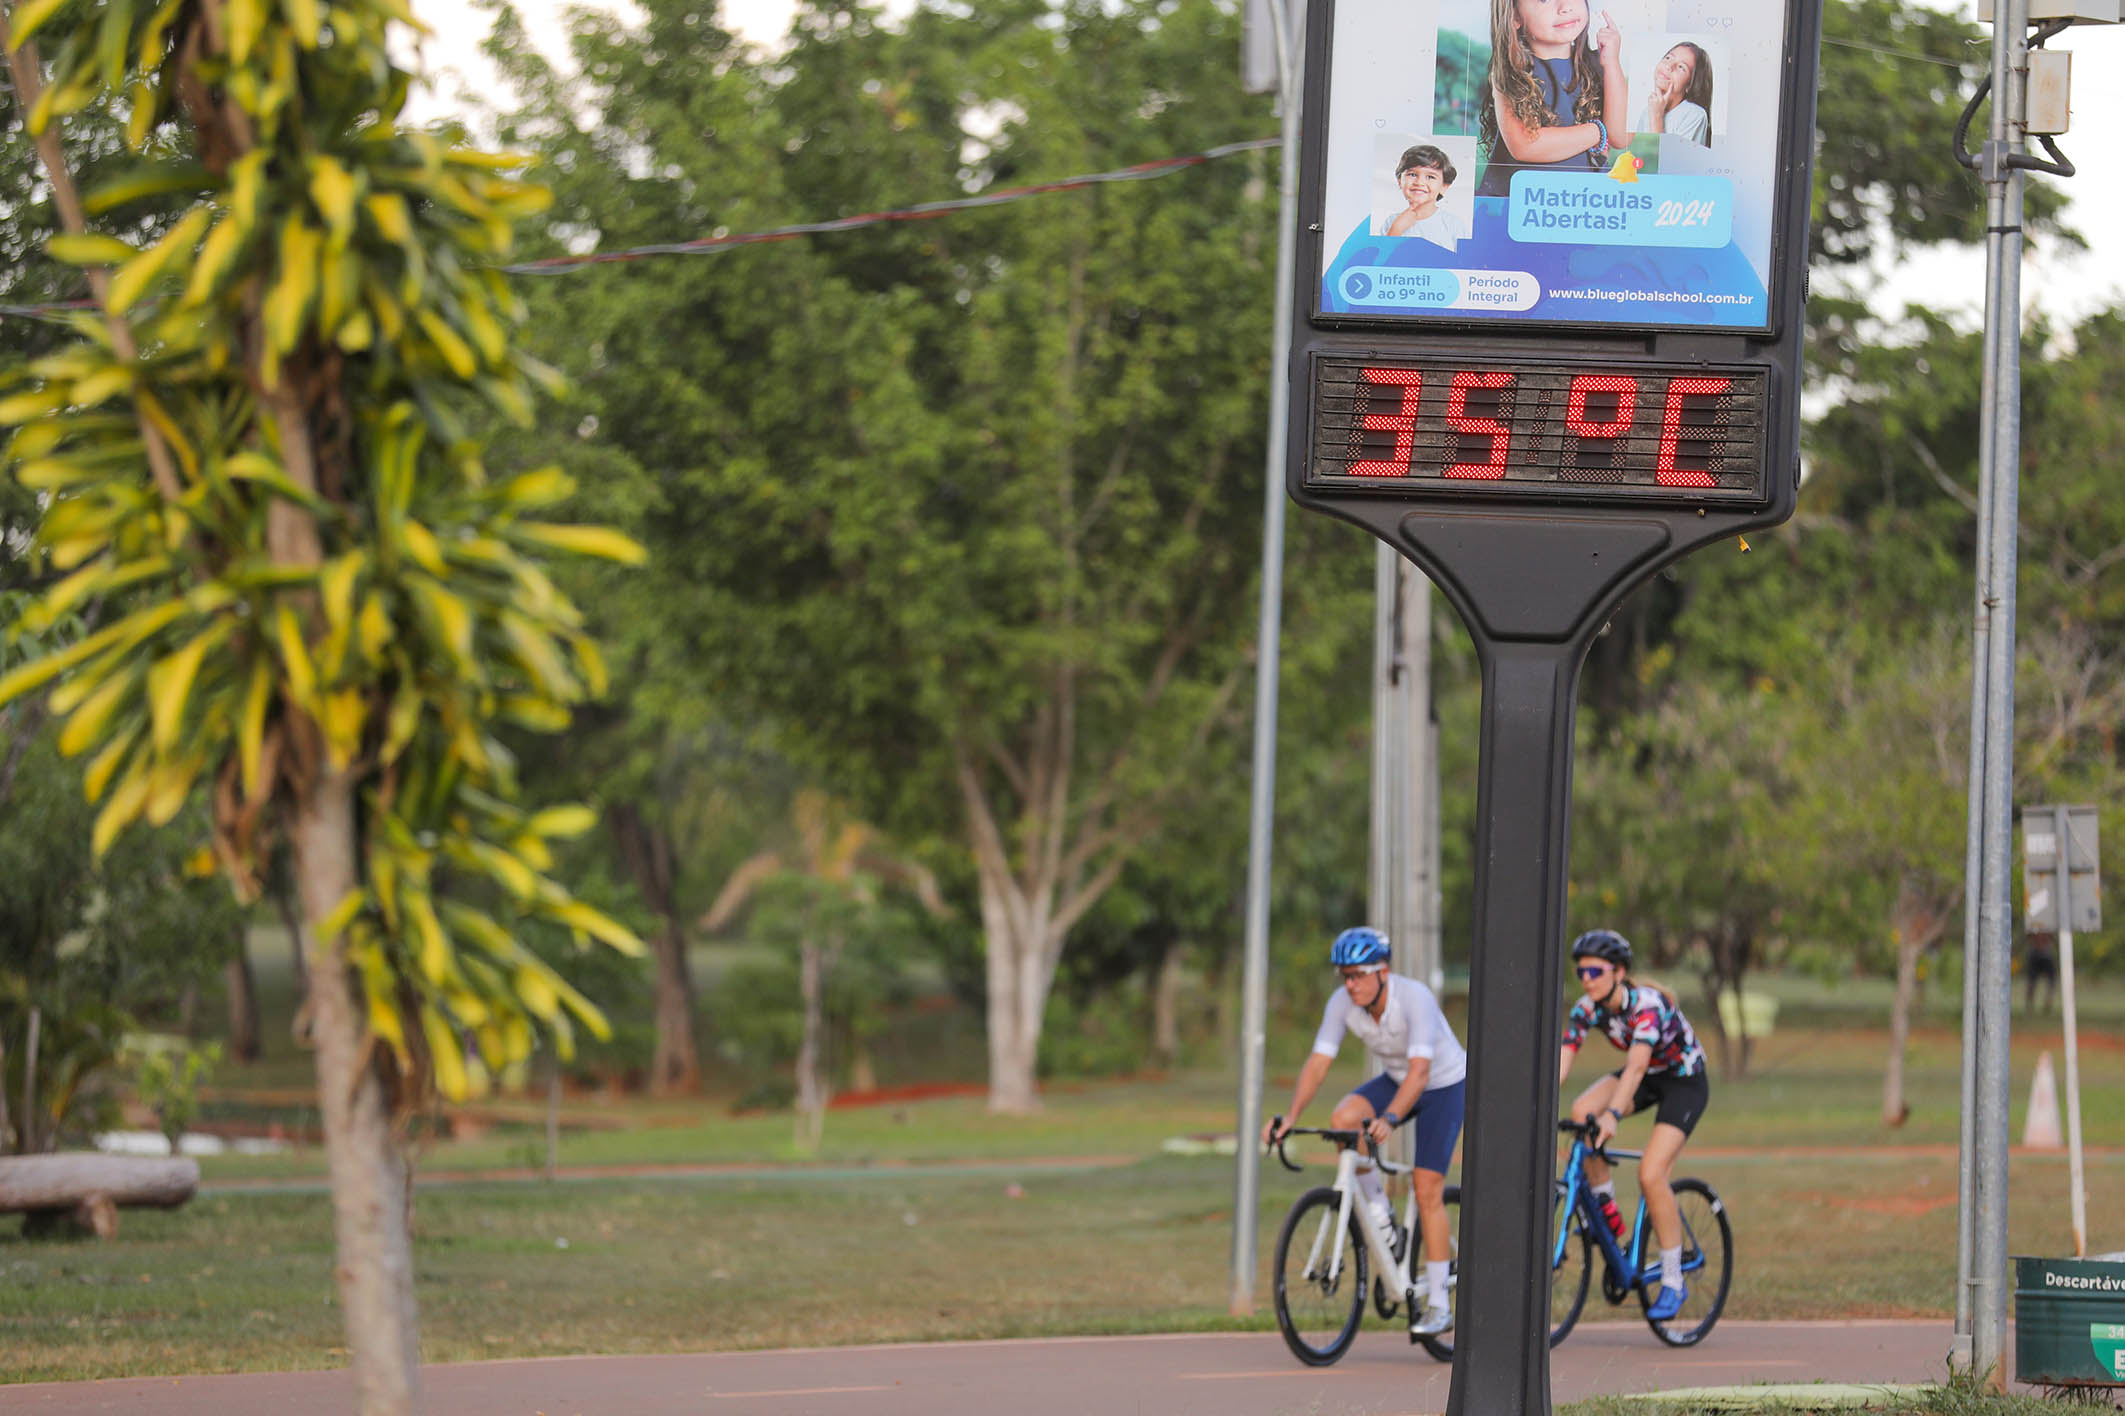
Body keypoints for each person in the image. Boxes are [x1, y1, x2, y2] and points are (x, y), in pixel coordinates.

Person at [1263, 926, 1468, 1338]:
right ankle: (1381, 1217)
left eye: (1358, 975)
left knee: (1426, 1187)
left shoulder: (1415, 999)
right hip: (1397, 1078)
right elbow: (1319, 1062)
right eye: (1345, 976)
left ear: (1383, 972)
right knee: (1344, 1119)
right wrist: (1290, 1117)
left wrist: (1389, 1119)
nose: (1351, 985)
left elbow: (1421, 1072)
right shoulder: (1343, 1003)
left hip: (1443, 1084)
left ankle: (1440, 1305)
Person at [1556, 928, 1708, 1324]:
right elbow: (1562, 1062)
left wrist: (1613, 1114)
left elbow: (1637, 1066)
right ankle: (1606, 1210)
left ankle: (1673, 1279)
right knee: (1581, 1111)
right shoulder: (1587, 1008)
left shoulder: (1648, 1006)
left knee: (1651, 1173)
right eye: (1581, 972)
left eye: (1595, 971)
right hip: (1647, 1076)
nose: (1587, 980)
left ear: (1619, 972)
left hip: (1683, 1081)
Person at [1476, 0, 1634, 197]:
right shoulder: (1510, 71)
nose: (1565, 7)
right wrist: (1599, 132)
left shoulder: (1600, 64)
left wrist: (1611, 63)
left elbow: (1621, 137)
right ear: (1515, 16)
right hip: (1521, 203)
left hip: (1579, 200)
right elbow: (1525, 146)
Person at [1384, 144, 1467, 250]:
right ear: (1400, 181)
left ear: (1444, 186)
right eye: (1412, 174)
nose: (1419, 182)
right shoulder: (1392, 222)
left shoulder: (1454, 224)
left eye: (1430, 177)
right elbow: (1383, 256)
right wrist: (1396, 229)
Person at [1635, 41, 1712, 147]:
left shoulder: (1695, 115)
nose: (1669, 66)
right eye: (1668, 58)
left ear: (1690, 85)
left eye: (1681, 67)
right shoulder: (1647, 112)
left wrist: (1656, 117)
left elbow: (1670, 157)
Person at [2024, 933, 2059, 1013]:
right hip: (2035, 955)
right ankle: (2029, 1007)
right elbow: (2026, 937)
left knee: (2051, 982)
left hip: (2046, 955)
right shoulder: (2033, 928)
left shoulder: (2049, 928)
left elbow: (2053, 938)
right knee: (2031, 983)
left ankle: (2047, 1004)